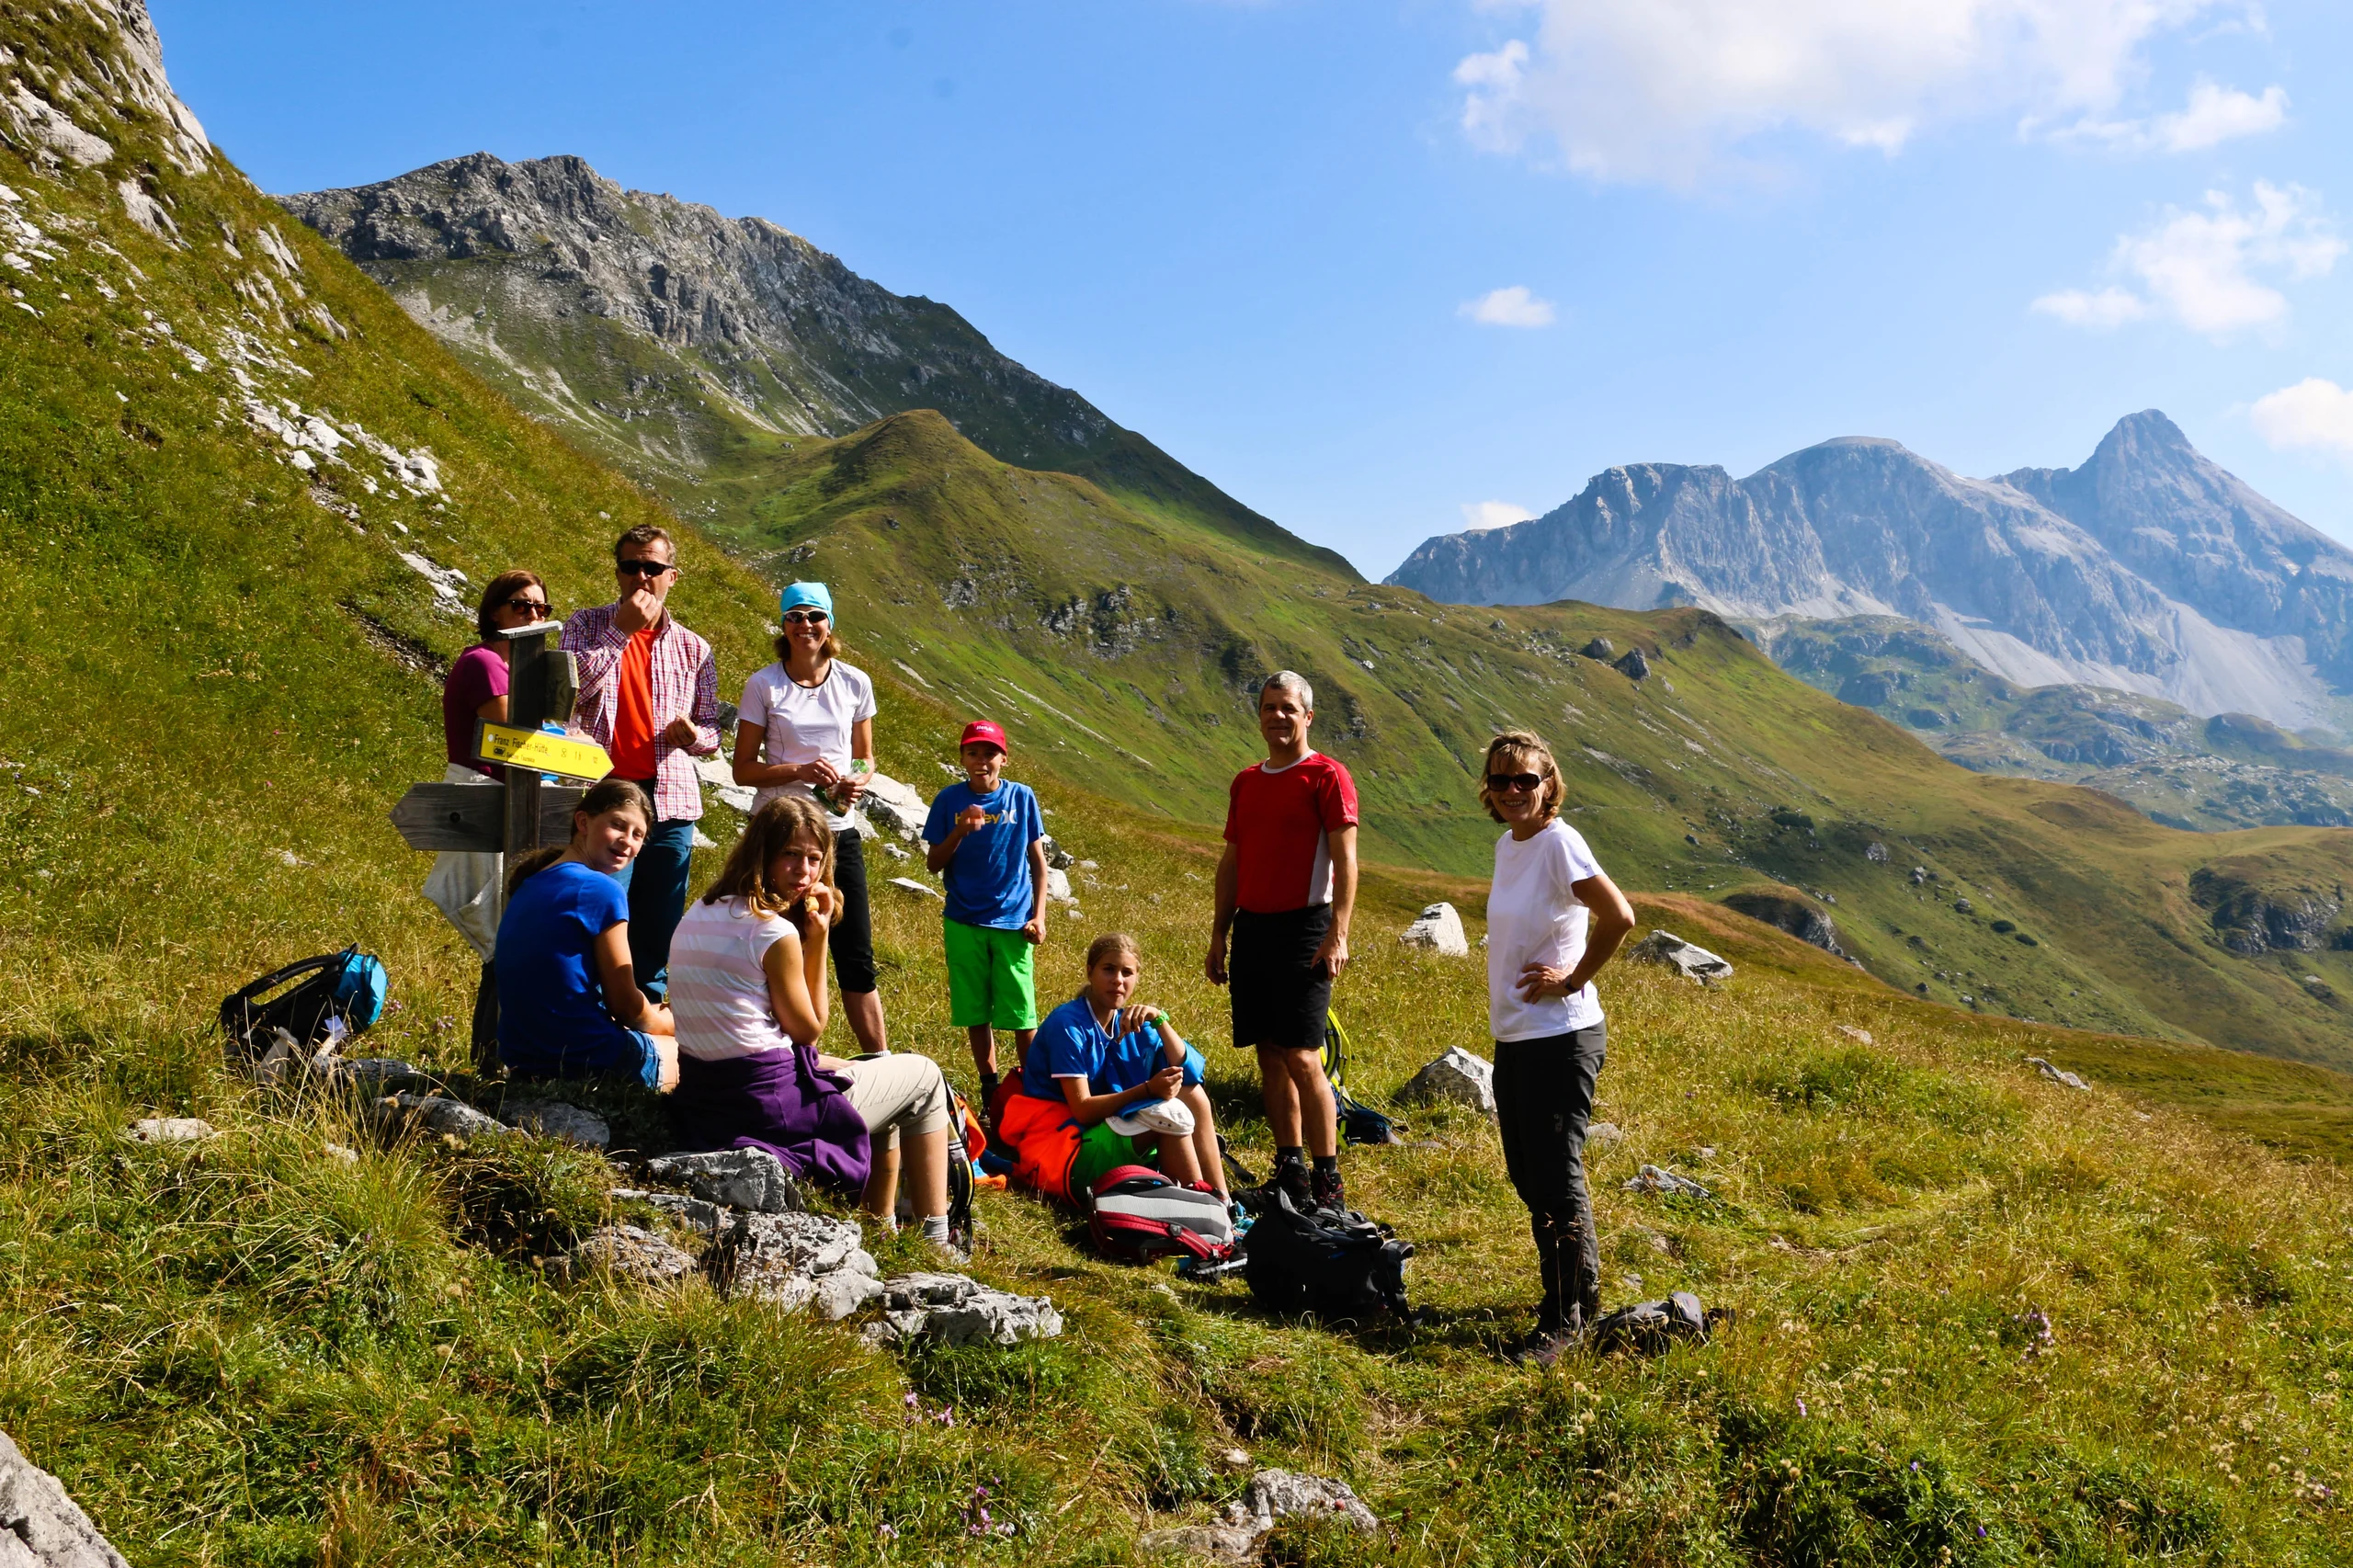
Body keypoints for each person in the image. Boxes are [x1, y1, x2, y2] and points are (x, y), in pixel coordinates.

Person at [666, 795, 962, 1251]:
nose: (804, 872)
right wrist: (819, 935)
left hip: (706, 1098)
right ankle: (937, 1241)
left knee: (854, 1069)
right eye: (790, 854)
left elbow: (757, 1032)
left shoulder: (699, 911)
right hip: (765, 1111)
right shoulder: (772, 931)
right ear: (762, 853)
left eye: (814, 859)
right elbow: (810, 1028)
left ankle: (880, 1229)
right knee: (923, 1078)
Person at [1478, 730, 1636, 1365]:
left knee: (1555, 1175)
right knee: (1529, 1174)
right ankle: (1579, 1294)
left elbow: (1619, 916)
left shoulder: (1558, 842)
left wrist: (1571, 980)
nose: (1514, 790)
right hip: (1517, 1035)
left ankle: (1565, 1318)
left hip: (1562, 1036)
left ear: (1550, 786)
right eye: (1501, 780)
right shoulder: (1508, 844)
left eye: (1526, 780)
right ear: (1487, 790)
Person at [1205, 671, 1358, 1213]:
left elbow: (1345, 860)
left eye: (1288, 708)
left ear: (1308, 716)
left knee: (1301, 1054)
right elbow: (1233, 860)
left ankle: (1328, 1182)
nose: (1278, 717)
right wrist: (1220, 933)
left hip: (1306, 928)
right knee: (1269, 1054)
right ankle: (1289, 1170)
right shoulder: (1246, 781)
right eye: (1269, 707)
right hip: (1253, 928)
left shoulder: (1327, 776)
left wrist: (1338, 933)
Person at [730, 581, 891, 1056]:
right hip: (778, 834)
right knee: (777, 945)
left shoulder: (854, 682)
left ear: (830, 625)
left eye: (815, 616)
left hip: (837, 832)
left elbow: (864, 757)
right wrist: (799, 770)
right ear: (783, 625)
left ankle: (880, 1059)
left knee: (855, 953)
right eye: (795, 616)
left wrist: (856, 781)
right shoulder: (764, 684)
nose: (805, 626)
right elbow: (743, 770)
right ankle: (782, 1055)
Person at [564, 524, 721, 1002]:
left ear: (672, 577)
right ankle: (587, 1006)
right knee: (603, 907)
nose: (641, 577)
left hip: (670, 798)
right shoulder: (586, 625)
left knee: (659, 915)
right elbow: (566, 693)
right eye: (631, 567)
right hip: (605, 792)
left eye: (652, 568)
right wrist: (620, 634)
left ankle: (646, 1010)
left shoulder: (693, 647)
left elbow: (712, 728)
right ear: (618, 573)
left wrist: (695, 736)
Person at [424, 568, 552, 1069]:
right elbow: (518, 734)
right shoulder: (484, 662)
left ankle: (502, 1054)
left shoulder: (516, 667)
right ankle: (493, 1058)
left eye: (541, 608)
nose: (533, 615)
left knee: (511, 938)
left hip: (511, 802)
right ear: (494, 611)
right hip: (487, 799)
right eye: (521, 605)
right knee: (503, 941)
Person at [996, 933, 1228, 1206]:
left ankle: (1221, 1200)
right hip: (1062, 1146)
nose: (1118, 980)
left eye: (1127, 972)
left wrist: (1160, 1021)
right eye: (1109, 969)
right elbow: (1082, 1109)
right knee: (1170, 1114)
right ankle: (1203, 1210)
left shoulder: (1128, 1021)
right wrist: (1147, 1090)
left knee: (1192, 1093)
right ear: (1090, 972)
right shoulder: (1068, 1025)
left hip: (1099, 1131)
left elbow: (1189, 1073)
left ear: (1136, 978)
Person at [493, 777, 680, 1089]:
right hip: (581, 1058)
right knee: (703, 1055)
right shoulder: (601, 889)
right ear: (583, 821)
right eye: (618, 825)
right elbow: (624, 1006)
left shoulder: (531, 882)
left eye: (638, 835)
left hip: (522, 1056)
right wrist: (671, 1023)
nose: (628, 841)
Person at [922, 720, 1047, 1108]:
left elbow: (1038, 863)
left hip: (1013, 921)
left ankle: (1032, 1087)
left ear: (1004, 759)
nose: (981, 761)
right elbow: (933, 863)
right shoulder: (948, 800)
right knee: (976, 1009)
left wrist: (1039, 916)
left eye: (990, 753)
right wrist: (959, 831)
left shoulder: (1022, 798)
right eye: (973, 753)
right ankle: (989, 1085)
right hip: (963, 920)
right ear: (961, 757)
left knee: (1022, 1012)